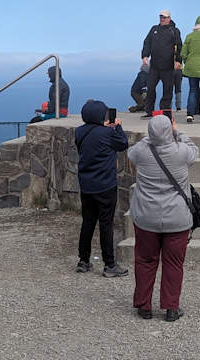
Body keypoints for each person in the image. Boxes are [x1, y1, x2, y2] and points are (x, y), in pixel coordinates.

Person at [127, 111, 198, 322]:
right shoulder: (181, 151)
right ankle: (171, 307)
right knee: (174, 264)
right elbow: (195, 150)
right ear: (170, 130)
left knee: (145, 260)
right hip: (177, 218)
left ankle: (144, 305)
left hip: (146, 217)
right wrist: (178, 132)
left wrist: (154, 135)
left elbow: (132, 152)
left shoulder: (140, 151)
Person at [74, 100, 130, 277]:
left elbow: (91, 143)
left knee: (88, 222)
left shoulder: (79, 132)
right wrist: (117, 127)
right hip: (105, 186)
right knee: (106, 224)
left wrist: (104, 128)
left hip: (86, 185)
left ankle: (83, 261)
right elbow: (123, 143)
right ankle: (109, 265)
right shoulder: (107, 133)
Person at [141, 10, 183, 116]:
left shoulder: (174, 31)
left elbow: (179, 47)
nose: (162, 19)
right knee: (150, 88)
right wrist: (145, 55)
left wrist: (178, 61)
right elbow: (147, 42)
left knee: (167, 90)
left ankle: (165, 111)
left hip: (168, 66)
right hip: (155, 65)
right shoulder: (154, 29)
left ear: (169, 18)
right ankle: (149, 111)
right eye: (161, 17)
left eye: (164, 17)